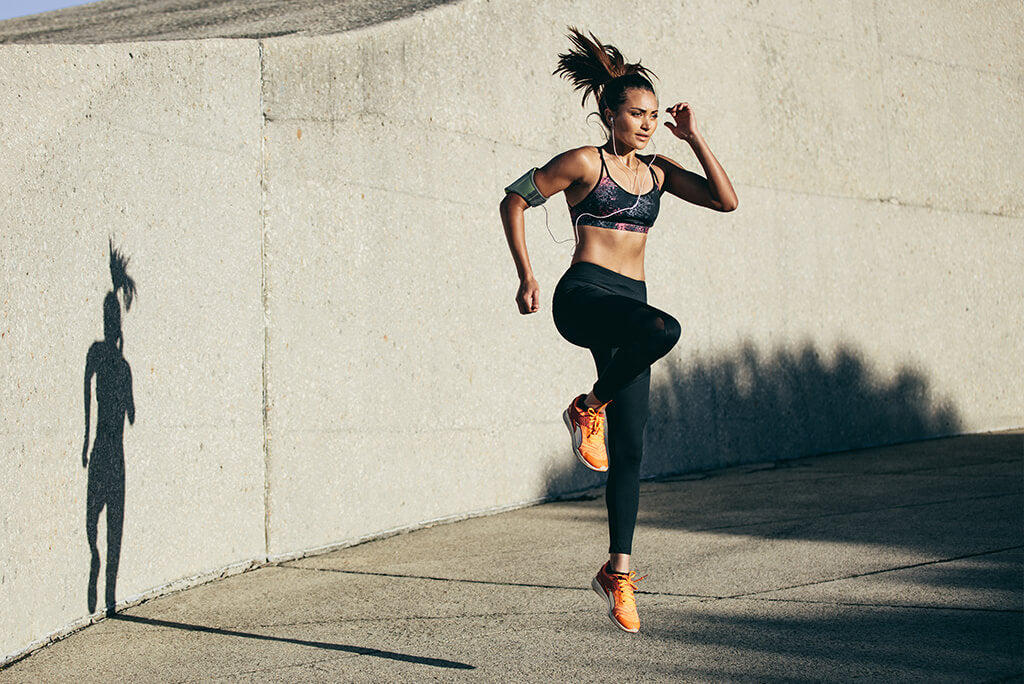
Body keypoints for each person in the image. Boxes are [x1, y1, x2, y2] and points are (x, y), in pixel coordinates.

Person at [499, 28, 737, 633]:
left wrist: (694, 137)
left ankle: (618, 571)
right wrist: (526, 274)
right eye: (637, 114)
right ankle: (588, 405)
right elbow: (514, 200)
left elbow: (725, 200)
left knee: (630, 448)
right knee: (667, 328)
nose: (647, 124)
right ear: (609, 114)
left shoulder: (660, 172)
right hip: (583, 295)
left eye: (655, 116)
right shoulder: (585, 162)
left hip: (630, 310)